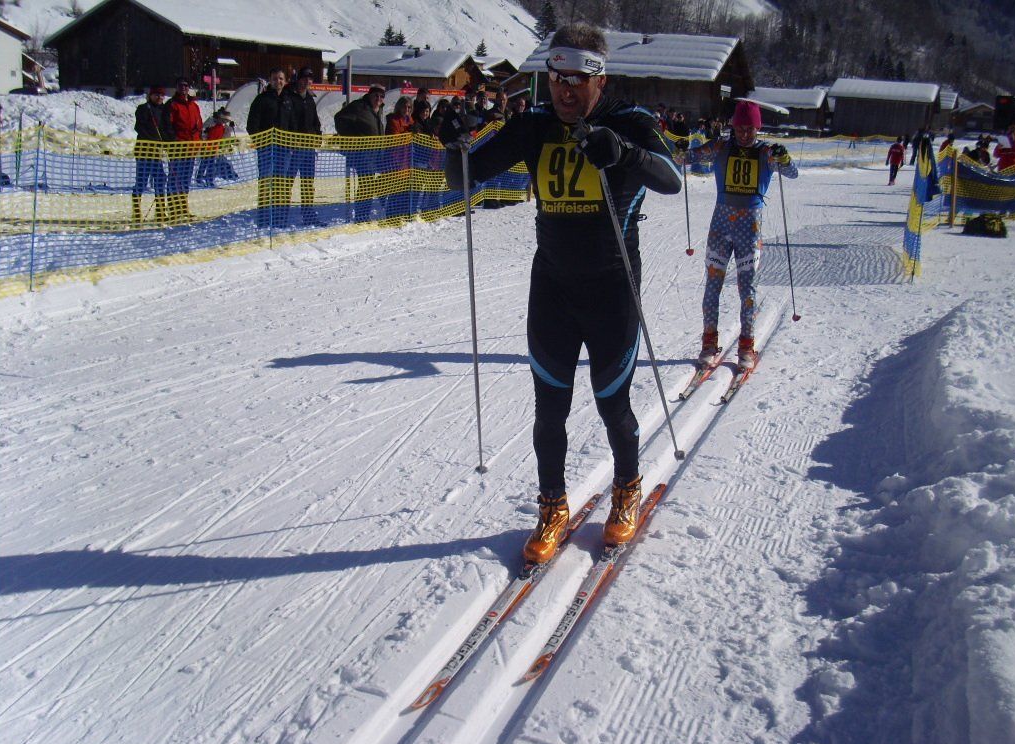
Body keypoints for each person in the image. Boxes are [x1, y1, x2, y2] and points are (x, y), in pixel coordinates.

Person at [441, 23, 682, 563]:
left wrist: (623, 153)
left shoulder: (628, 121)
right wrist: (454, 149)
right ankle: (552, 505)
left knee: (612, 403)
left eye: (576, 79)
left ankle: (627, 489)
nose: (564, 90)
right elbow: (468, 174)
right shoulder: (536, 123)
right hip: (552, 286)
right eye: (556, 78)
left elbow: (671, 177)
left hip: (612, 288)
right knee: (549, 409)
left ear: (600, 79)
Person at [682, 100, 798, 370]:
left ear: (757, 128)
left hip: (750, 229)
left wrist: (784, 157)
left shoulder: (766, 152)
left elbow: (792, 172)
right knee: (712, 286)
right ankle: (709, 343)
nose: (744, 134)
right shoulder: (721, 147)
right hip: (721, 227)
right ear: (733, 127)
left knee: (747, 290)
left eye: (750, 129)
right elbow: (688, 157)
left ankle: (746, 346)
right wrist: (679, 150)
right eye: (740, 129)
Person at [247, 67, 297, 227]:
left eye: (281, 78)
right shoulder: (261, 99)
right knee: (265, 183)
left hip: (285, 149)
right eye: (275, 78)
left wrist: (292, 143)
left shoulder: (288, 100)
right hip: (267, 149)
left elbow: (293, 124)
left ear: (285, 81)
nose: (278, 81)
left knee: (280, 185)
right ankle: (263, 219)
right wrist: (260, 143)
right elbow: (252, 125)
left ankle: (279, 219)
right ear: (270, 80)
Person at [334, 84, 386, 222]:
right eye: (376, 95)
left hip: (376, 154)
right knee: (366, 185)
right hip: (363, 153)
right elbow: (339, 118)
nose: (378, 98)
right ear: (369, 95)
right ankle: (361, 216)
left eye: (381, 96)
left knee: (373, 183)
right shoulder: (359, 106)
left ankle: (364, 214)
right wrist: (353, 137)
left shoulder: (378, 110)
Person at [132, 85, 173, 225]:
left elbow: (166, 128)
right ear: (150, 96)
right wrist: (152, 139)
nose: (159, 98)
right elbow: (139, 127)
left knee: (160, 179)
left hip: (157, 152)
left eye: (161, 95)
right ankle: (136, 210)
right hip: (144, 151)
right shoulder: (143, 109)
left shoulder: (164, 110)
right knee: (141, 181)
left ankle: (160, 210)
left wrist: (167, 142)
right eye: (156, 95)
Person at [288, 67, 323, 225]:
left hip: (308, 147)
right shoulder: (289, 96)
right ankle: (281, 215)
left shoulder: (310, 99)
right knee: (287, 182)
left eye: (310, 79)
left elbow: (315, 121)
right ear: (299, 79)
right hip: (293, 147)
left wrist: (318, 136)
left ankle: (309, 215)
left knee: (308, 183)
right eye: (304, 78)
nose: (307, 81)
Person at [166, 78, 203, 223]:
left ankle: (183, 208)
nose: (183, 88)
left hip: (191, 148)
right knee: (175, 179)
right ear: (176, 87)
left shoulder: (194, 105)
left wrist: (199, 137)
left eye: (186, 85)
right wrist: (173, 140)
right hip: (178, 148)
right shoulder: (172, 104)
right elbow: (167, 125)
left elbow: (199, 124)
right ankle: (173, 209)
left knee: (186, 179)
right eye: (180, 85)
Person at [195, 108, 237, 187]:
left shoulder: (222, 127)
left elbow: (225, 136)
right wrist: (204, 138)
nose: (224, 122)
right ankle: (199, 179)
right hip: (206, 147)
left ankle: (209, 180)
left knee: (211, 164)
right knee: (204, 163)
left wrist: (230, 127)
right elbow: (202, 131)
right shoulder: (211, 123)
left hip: (214, 148)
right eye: (224, 121)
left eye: (226, 121)